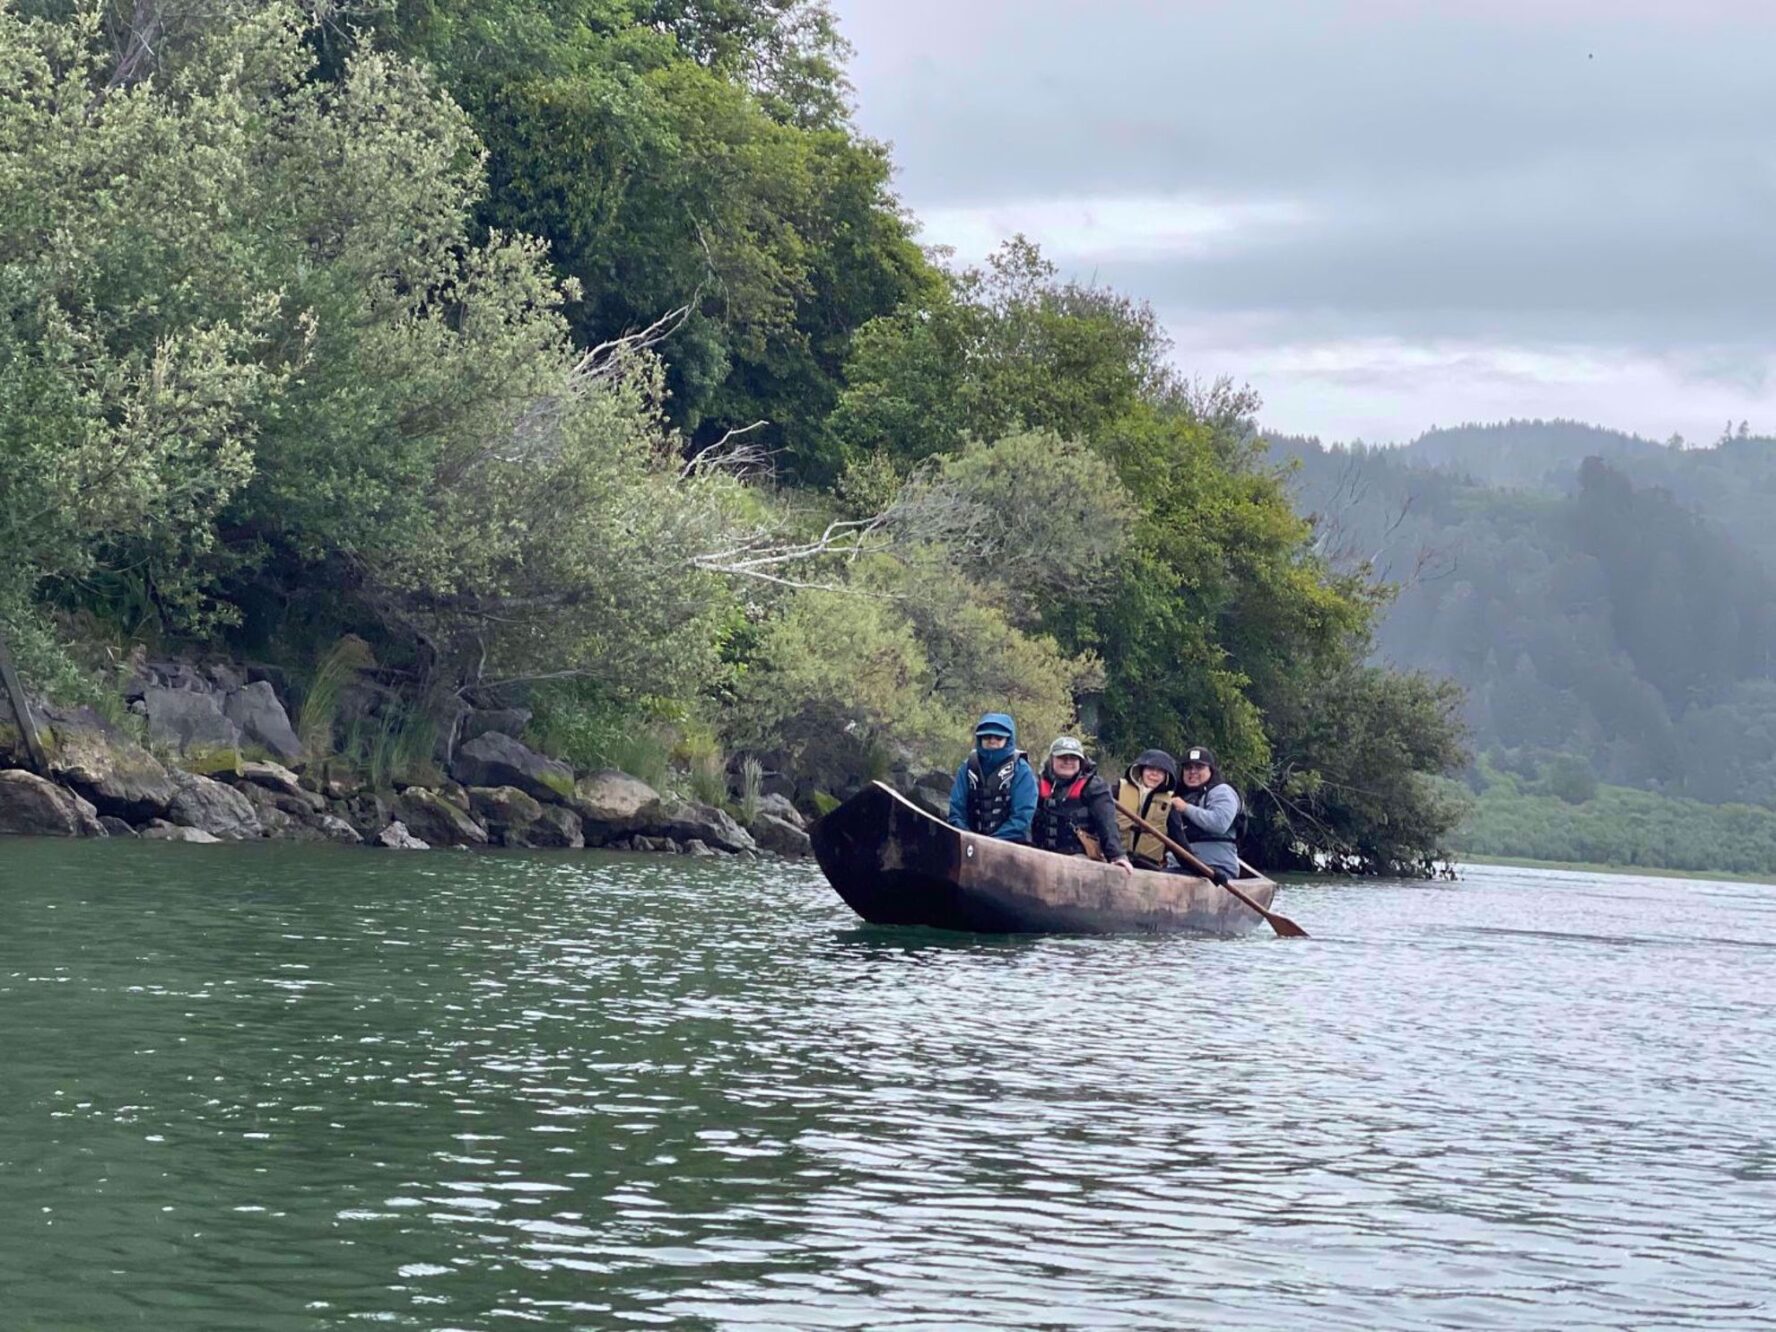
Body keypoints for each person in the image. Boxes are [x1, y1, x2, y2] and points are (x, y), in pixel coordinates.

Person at [1032, 737, 1133, 875]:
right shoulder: (1036, 784)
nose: (1068, 761)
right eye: (1062, 757)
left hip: (1078, 857)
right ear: (1052, 759)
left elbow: (1107, 823)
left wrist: (1117, 856)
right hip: (1039, 853)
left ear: (1081, 761)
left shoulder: (1094, 787)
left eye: (1073, 758)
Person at [947, 712, 1038, 843]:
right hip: (969, 842)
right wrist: (967, 836)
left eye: (998, 737)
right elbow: (956, 808)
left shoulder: (1021, 770)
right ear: (980, 738)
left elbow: (1023, 815)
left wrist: (993, 842)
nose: (992, 740)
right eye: (987, 736)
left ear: (1008, 739)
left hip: (1012, 846)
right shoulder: (968, 766)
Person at [1167, 745, 1242, 883]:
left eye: (1199, 767)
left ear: (1210, 770)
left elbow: (1219, 823)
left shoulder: (1222, 792)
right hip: (1178, 867)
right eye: (1188, 768)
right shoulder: (1176, 795)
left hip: (1217, 870)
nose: (1193, 772)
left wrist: (1186, 808)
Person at [1113, 749, 1179, 870]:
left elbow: (1179, 840)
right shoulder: (1117, 790)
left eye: (1160, 771)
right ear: (1141, 770)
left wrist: (1202, 869)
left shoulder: (1170, 802)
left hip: (1149, 865)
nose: (1154, 774)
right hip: (1117, 859)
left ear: (1166, 776)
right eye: (1150, 769)